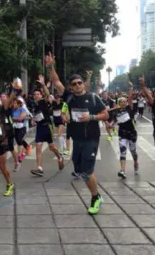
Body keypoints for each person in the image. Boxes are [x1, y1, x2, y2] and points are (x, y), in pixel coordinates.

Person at [47, 53, 108, 215]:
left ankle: (96, 197)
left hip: (91, 139)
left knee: (87, 172)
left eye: (80, 82)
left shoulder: (94, 98)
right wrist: (50, 66)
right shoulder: (69, 98)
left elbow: (106, 114)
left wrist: (92, 117)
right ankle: (96, 194)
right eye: (74, 84)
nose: (78, 85)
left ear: (83, 84)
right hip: (77, 140)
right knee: (80, 170)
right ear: (71, 87)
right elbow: (56, 81)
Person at [30, 75, 64, 177]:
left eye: (38, 94)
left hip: (47, 127)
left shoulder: (43, 102)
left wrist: (44, 85)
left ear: (41, 95)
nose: (36, 95)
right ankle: (40, 169)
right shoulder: (34, 104)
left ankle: (60, 157)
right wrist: (34, 119)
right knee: (38, 147)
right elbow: (37, 116)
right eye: (35, 94)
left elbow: (48, 94)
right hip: (39, 128)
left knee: (51, 147)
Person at [109, 82, 139, 178]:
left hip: (132, 134)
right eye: (120, 102)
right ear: (119, 103)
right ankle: (122, 170)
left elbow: (130, 97)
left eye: (124, 102)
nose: (122, 103)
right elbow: (114, 121)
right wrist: (111, 125)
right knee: (123, 151)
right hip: (122, 134)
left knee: (133, 151)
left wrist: (131, 87)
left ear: (126, 103)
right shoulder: (116, 112)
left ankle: (136, 162)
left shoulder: (129, 108)